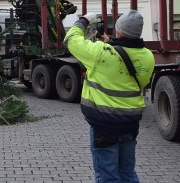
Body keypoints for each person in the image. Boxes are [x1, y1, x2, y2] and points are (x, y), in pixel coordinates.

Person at [65, 10, 155, 183]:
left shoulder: (101, 52)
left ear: (119, 31)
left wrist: (84, 20)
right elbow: (139, 82)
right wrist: (112, 45)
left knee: (108, 175)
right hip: (130, 123)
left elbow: (70, 40)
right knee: (127, 172)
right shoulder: (148, 56)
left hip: (104, 125)